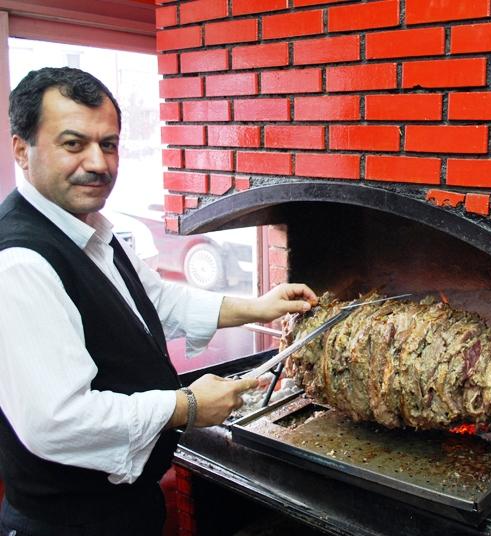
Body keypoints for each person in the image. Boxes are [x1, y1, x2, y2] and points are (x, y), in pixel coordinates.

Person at [0, 67, 317, 535]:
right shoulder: (19, 263)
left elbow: (158, 301)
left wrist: (258, 306)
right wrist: (187, 406)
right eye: (73, 144)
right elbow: (59, 423)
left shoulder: (89, 231)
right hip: (68, 523)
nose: (98, 163)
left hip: (125, 507)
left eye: (108, 144)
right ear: (21, 150)